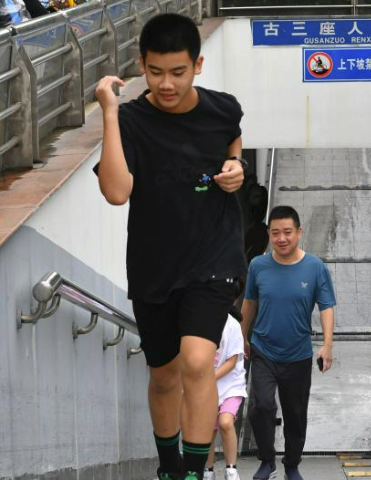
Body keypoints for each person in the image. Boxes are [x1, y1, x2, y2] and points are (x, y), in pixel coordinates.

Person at [94, 13, 247, 480]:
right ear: (142, 65)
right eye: (156, 71)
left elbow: (234, 150)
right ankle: (169, 468)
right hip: (154, 265)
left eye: (178, 72)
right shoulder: (133, 119)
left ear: (197, 65)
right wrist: (109, 112)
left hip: (213, 257)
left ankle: (194, 474)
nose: (166, 83)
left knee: (199, 361)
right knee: (164, 376)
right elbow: (117, 192)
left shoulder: (223, 110)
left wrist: (236, 169)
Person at [241, 205, 336, 480]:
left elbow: (326, 306)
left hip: (297, 354)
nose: (281, 239)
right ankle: (267, 460)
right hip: (263, 349)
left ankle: (292, 465)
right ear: (269, 235)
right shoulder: (258, 265)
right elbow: (249, 303)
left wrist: (327, 345)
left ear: (299, 232)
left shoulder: (315, 267)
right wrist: (242, 338)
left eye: (287, 232)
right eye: (275, 233)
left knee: (295, 414)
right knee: (262, 406)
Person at [204, 283, 249, 480]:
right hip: (207, 388)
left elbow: (231, 362)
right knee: (207, 429)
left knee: (225, 422)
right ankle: (208, 470)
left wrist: (207, 379)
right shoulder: (201, 322)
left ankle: (231, 469)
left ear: (234, 301)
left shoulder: (232, 325)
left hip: (230, 385)